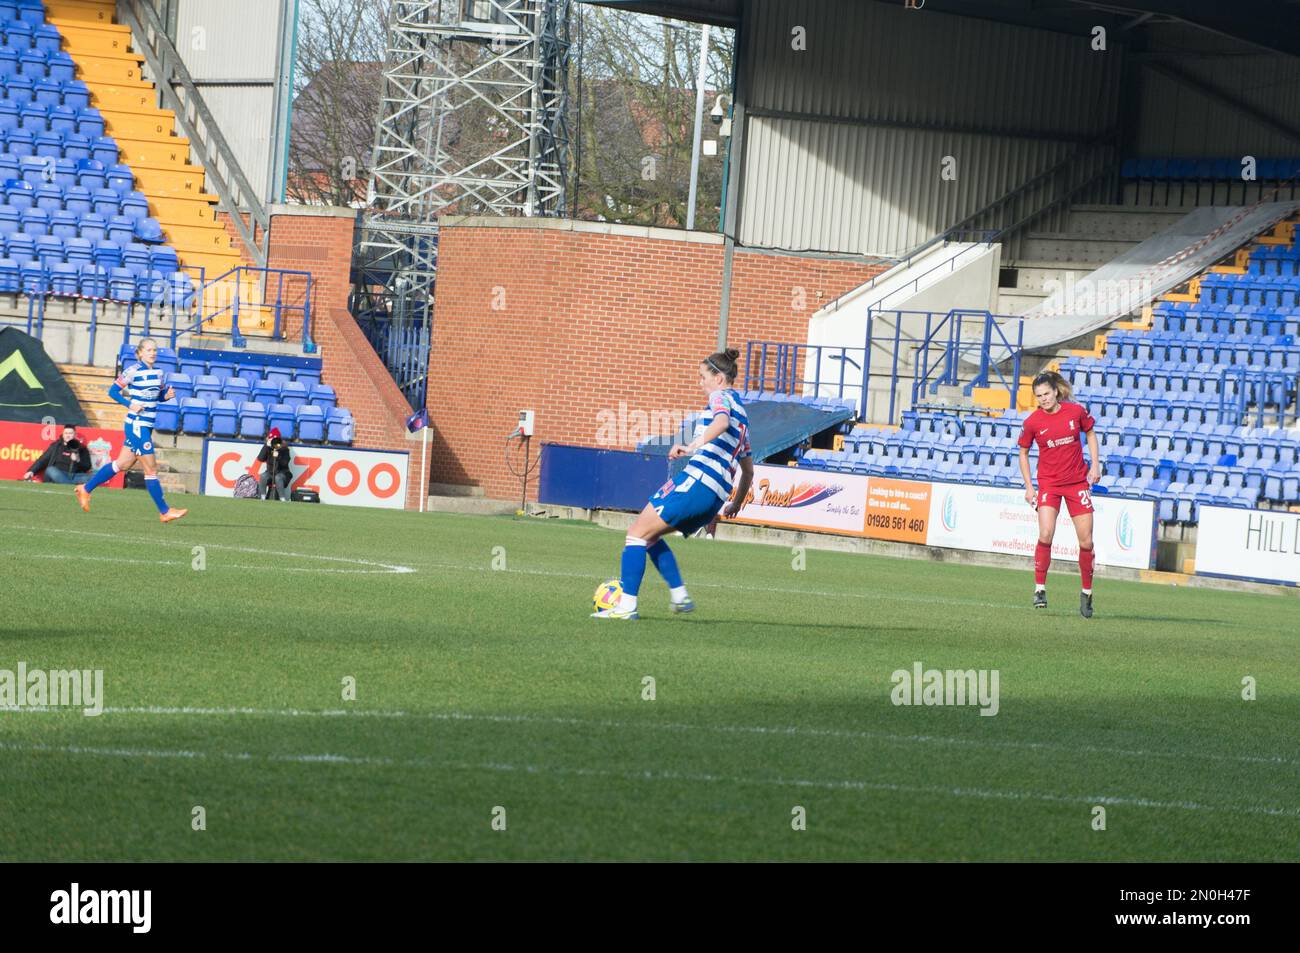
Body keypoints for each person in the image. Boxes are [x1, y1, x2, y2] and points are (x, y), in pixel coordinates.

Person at [592, 348, 754, 619]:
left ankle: (626, 607)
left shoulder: (720, 398)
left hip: (698, 482)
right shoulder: (744, 419)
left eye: (703, 376)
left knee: (635, 534)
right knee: (650, 536)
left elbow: (721, 422)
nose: (700, 383)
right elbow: (748, 471)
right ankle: (679, 596)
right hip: (713, 498)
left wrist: (691, 446)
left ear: (719, 378)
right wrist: (735, 503)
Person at [1016, 369, 1101, 617]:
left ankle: (1087, 593)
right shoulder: (1032, 422)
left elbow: (1091, 433)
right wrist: (1029, 486)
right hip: (1049, 484)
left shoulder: (1075, 411)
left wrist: (1095, 464)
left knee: (1086, 541)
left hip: (1076, 483)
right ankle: (1039, 588)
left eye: (1046, 393)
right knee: (1045, 533)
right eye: (1039, 396)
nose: (1043, 399)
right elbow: (1023, 452)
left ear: (1055, 391)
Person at [75, 338, 188, 523]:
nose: (153, 353)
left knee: (122, 465)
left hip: (146, 425)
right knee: (151, 468)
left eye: (155, 350)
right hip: (137, 424)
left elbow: (156, 395)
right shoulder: (133, 371)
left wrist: (165, 396)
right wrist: (130, 404)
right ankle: (164, 511)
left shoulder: (158, 373)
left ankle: (85, 489)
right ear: (140, 352)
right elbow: (112, 391)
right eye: (149, 350)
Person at [23, 425, 92, 484]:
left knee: (92, 477)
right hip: (57, 473)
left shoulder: (81, 448)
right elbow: (43, 460)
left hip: (73, 476)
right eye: (66, 433)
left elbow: (87, 467)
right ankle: (69, 486)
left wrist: (78, 460)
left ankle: (67, 484)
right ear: (63, 434)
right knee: (50, 470)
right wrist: (31, 471)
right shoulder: (56, 446)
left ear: (74, 435)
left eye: (70, 433)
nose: (68, 435)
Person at [257, 427, 292, 501]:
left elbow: (284, 464)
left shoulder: (285, 449)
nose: (274, 443)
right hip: (270, 472)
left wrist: (278, 454)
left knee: (278, 478)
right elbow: (260, 458)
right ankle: (262, 497)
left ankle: (282, 498)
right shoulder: (268, 448)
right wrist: (266, 446)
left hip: (283, 473)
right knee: (263, 476)